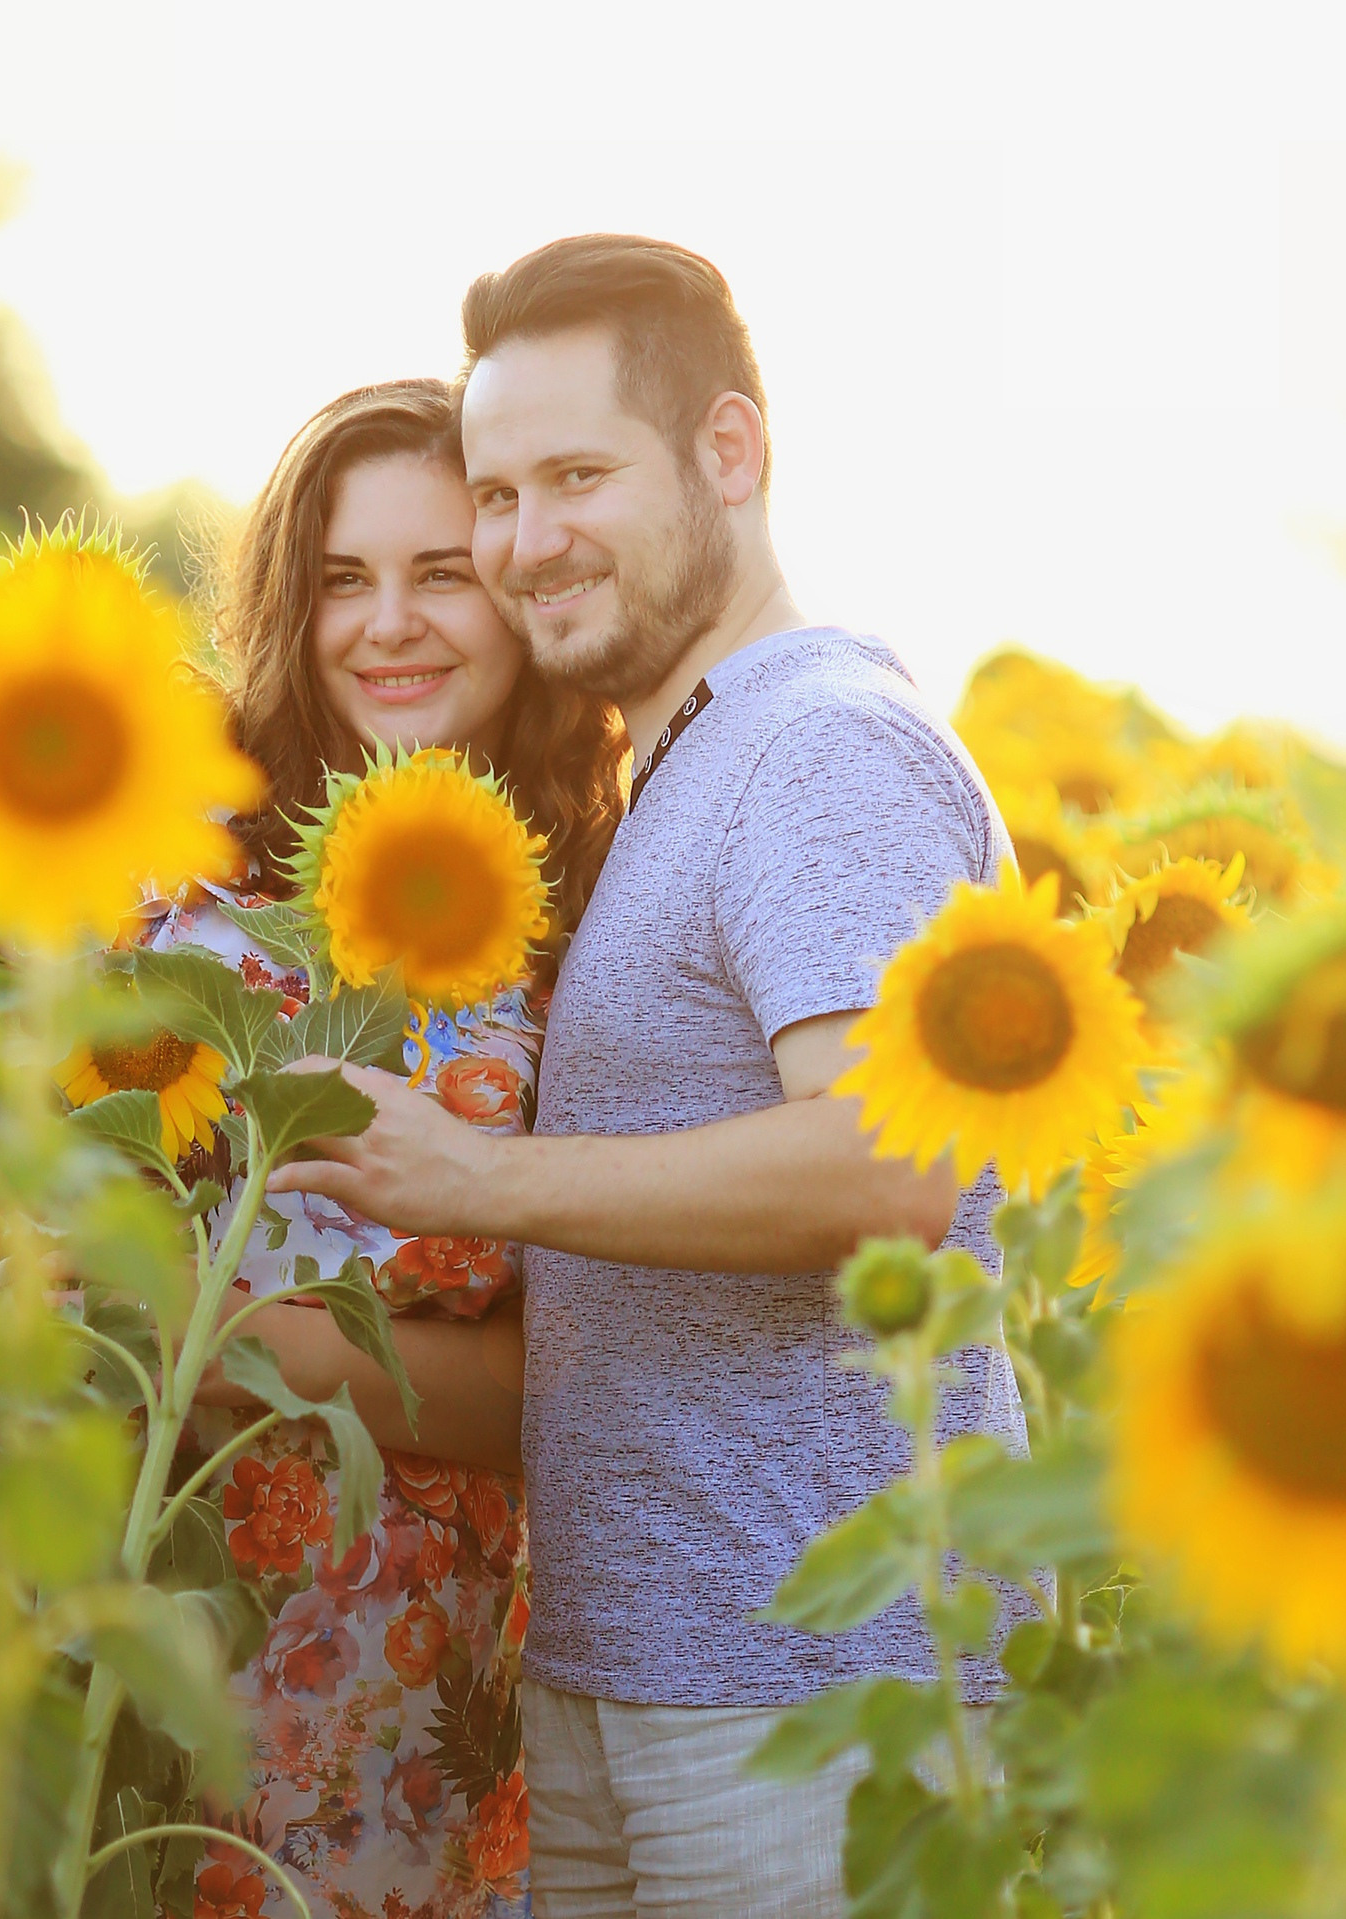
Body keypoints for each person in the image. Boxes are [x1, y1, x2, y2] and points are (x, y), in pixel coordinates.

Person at [267, 237, 1030, 1918]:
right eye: (500, 490)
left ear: (732, 454)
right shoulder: (685, 767)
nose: (529, 541)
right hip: (647, 1673)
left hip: (806, 1689)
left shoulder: (820, 745)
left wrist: (478, 1184)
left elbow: (889, 1171)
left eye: (579, 476)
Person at [119, 377, 622, 1919]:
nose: (386, 624)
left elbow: (583, 1390)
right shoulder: (176, 911)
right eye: (342, 579)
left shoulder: (584, 943)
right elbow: (44, 1272)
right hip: (148, 1622)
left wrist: (232, 1340)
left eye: (439, 573)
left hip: (421, 1682)